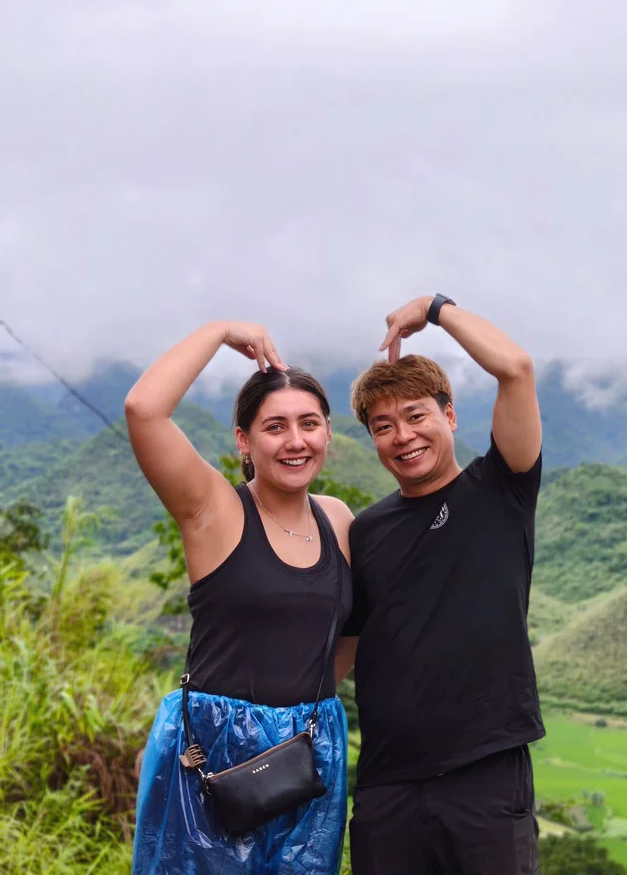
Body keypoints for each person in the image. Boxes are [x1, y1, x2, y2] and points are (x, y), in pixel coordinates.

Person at [126, 321, 357, 875]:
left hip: (309, 748)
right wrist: (221, 332)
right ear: (243, 440)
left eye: (309, 424)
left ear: (328, 432)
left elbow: (347, 636)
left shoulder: (338, 519)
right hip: (212, 749)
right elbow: (143, 410)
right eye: (275, 426)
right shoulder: (214, 510)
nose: (295, 441)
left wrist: (303, 706)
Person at [343, 293, 544, 874]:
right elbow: (349, 646)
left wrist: (435, 308)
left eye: (416, 416)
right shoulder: (366, 530)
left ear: (449, 416)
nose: (402, 435)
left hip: (484, 774)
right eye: (384, 426)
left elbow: (516, 368)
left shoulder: (500, 488)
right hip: (387, 785)